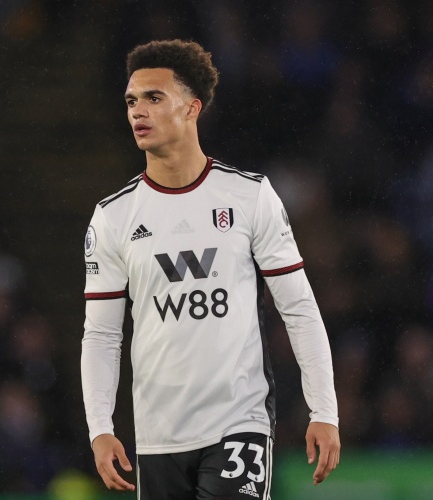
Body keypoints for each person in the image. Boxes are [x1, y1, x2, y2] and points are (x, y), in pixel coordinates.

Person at [81, 39, 340, 499]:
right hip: (158, 434)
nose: (138, 111)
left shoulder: (249, 197)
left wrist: (324, 411)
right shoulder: (113, 217)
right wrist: (100, 427)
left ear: (192, 107)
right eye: (131, 101)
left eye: (154, 97)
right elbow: (102, 334)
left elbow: (299, 308)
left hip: (238, 422)